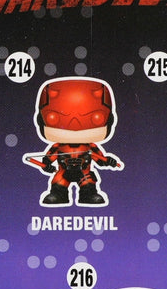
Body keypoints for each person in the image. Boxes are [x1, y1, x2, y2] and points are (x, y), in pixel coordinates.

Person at [25, 77, 122, 206]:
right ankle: (58, 194)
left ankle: (88, 194)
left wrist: (108, 161)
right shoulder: (58, 146)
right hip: (63, 173)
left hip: (84, 173)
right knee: (58, 184)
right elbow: (48, 159)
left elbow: (100, 160)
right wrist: (46, 166)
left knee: (88, 184)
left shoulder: (90, 146)